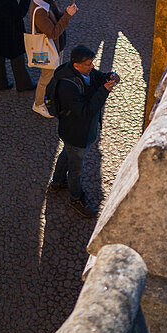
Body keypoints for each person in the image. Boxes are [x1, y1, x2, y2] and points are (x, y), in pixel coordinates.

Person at [47, 45, 120, 219]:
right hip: (76, 131)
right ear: (76, 65)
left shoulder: (84, 72)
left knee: (68, 153)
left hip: (75, 131)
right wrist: (104, 91)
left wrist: (108, 76)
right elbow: (86, 111)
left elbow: (96, 76)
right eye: (88, 64)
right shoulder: (68, 86)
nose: (92, 66)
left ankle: (57, 182)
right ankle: (76, 198)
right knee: (76, 168)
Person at [29, 0, 76, 118]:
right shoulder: (40, 11)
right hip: (50, 48)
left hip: (56, 47)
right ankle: (38, 104)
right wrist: (67, 16)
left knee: (55, 74)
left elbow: (56, 16)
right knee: (45, 78)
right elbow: (53, 33)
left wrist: (66, 13)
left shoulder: (46, 0)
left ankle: (52, 96)